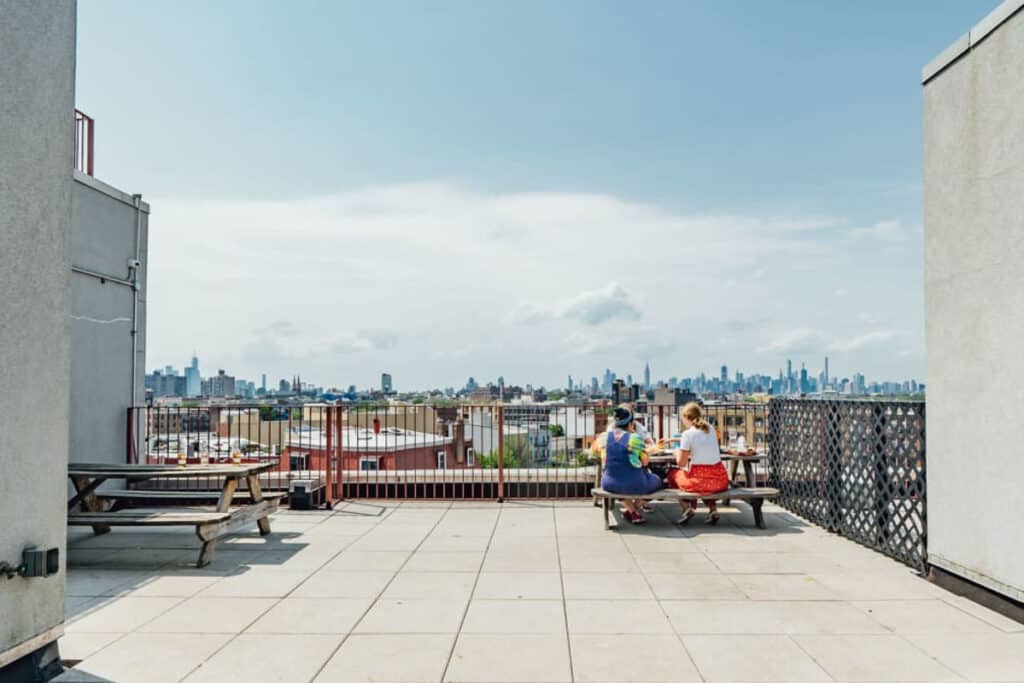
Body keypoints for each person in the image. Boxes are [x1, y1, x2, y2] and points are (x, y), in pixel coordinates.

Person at [667, 401, 729, 524]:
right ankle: (713, 509)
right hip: (720, 480)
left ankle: (687, 507)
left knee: (672, 473)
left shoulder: (687, 434)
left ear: (686, 417)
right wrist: (672, 439)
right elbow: (700, 440)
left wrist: (676, 452)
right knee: (707, 486)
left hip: (700, 482)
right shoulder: (710, 429)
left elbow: (682, 464)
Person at [600, 405, 663, 524]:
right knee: (659, 481)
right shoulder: (635, 438)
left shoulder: (604, 438)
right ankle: (633, 509)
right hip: (635, 484)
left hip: (609, 483)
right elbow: (645, 462)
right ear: (631, 423)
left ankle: (632, 511)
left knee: (619, 485)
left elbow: (600, 455)